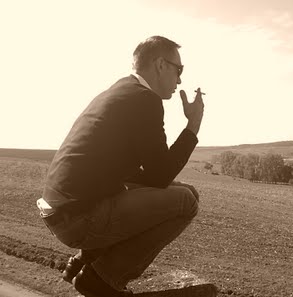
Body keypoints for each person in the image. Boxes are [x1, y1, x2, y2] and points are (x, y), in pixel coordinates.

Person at [37, 35, 205, 297]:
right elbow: (160, 174)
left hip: (63, 211)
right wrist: (193, 125)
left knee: (185, 191)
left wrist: (172, 183)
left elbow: (148, 175)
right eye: (178, 69)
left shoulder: (121, 91)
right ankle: (103, 278)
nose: (180, 80)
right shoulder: (144, 99)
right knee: (186, 202)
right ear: (161, 65)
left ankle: (84, 262)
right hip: (78, 218)